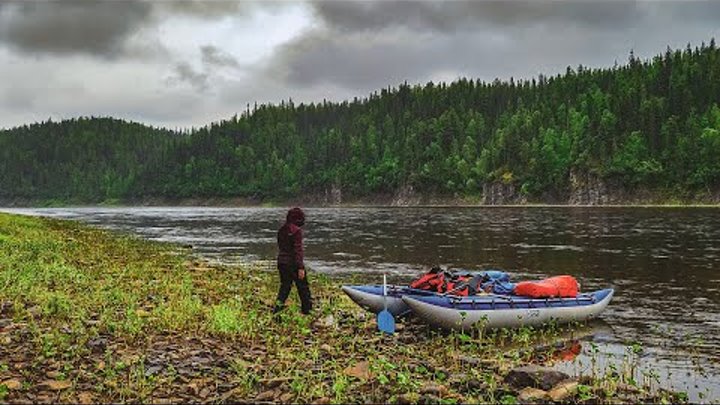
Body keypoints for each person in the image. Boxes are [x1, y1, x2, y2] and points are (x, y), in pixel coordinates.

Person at [274, 207, 312, 315]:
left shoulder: (281, 230)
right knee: (303, 288)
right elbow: (297, 250)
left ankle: (277, 310)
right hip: (293, 263)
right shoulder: (297, 231)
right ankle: (307, 311)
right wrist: (300, 267)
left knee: (284, 287)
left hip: (282, 262)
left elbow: (281, 247)